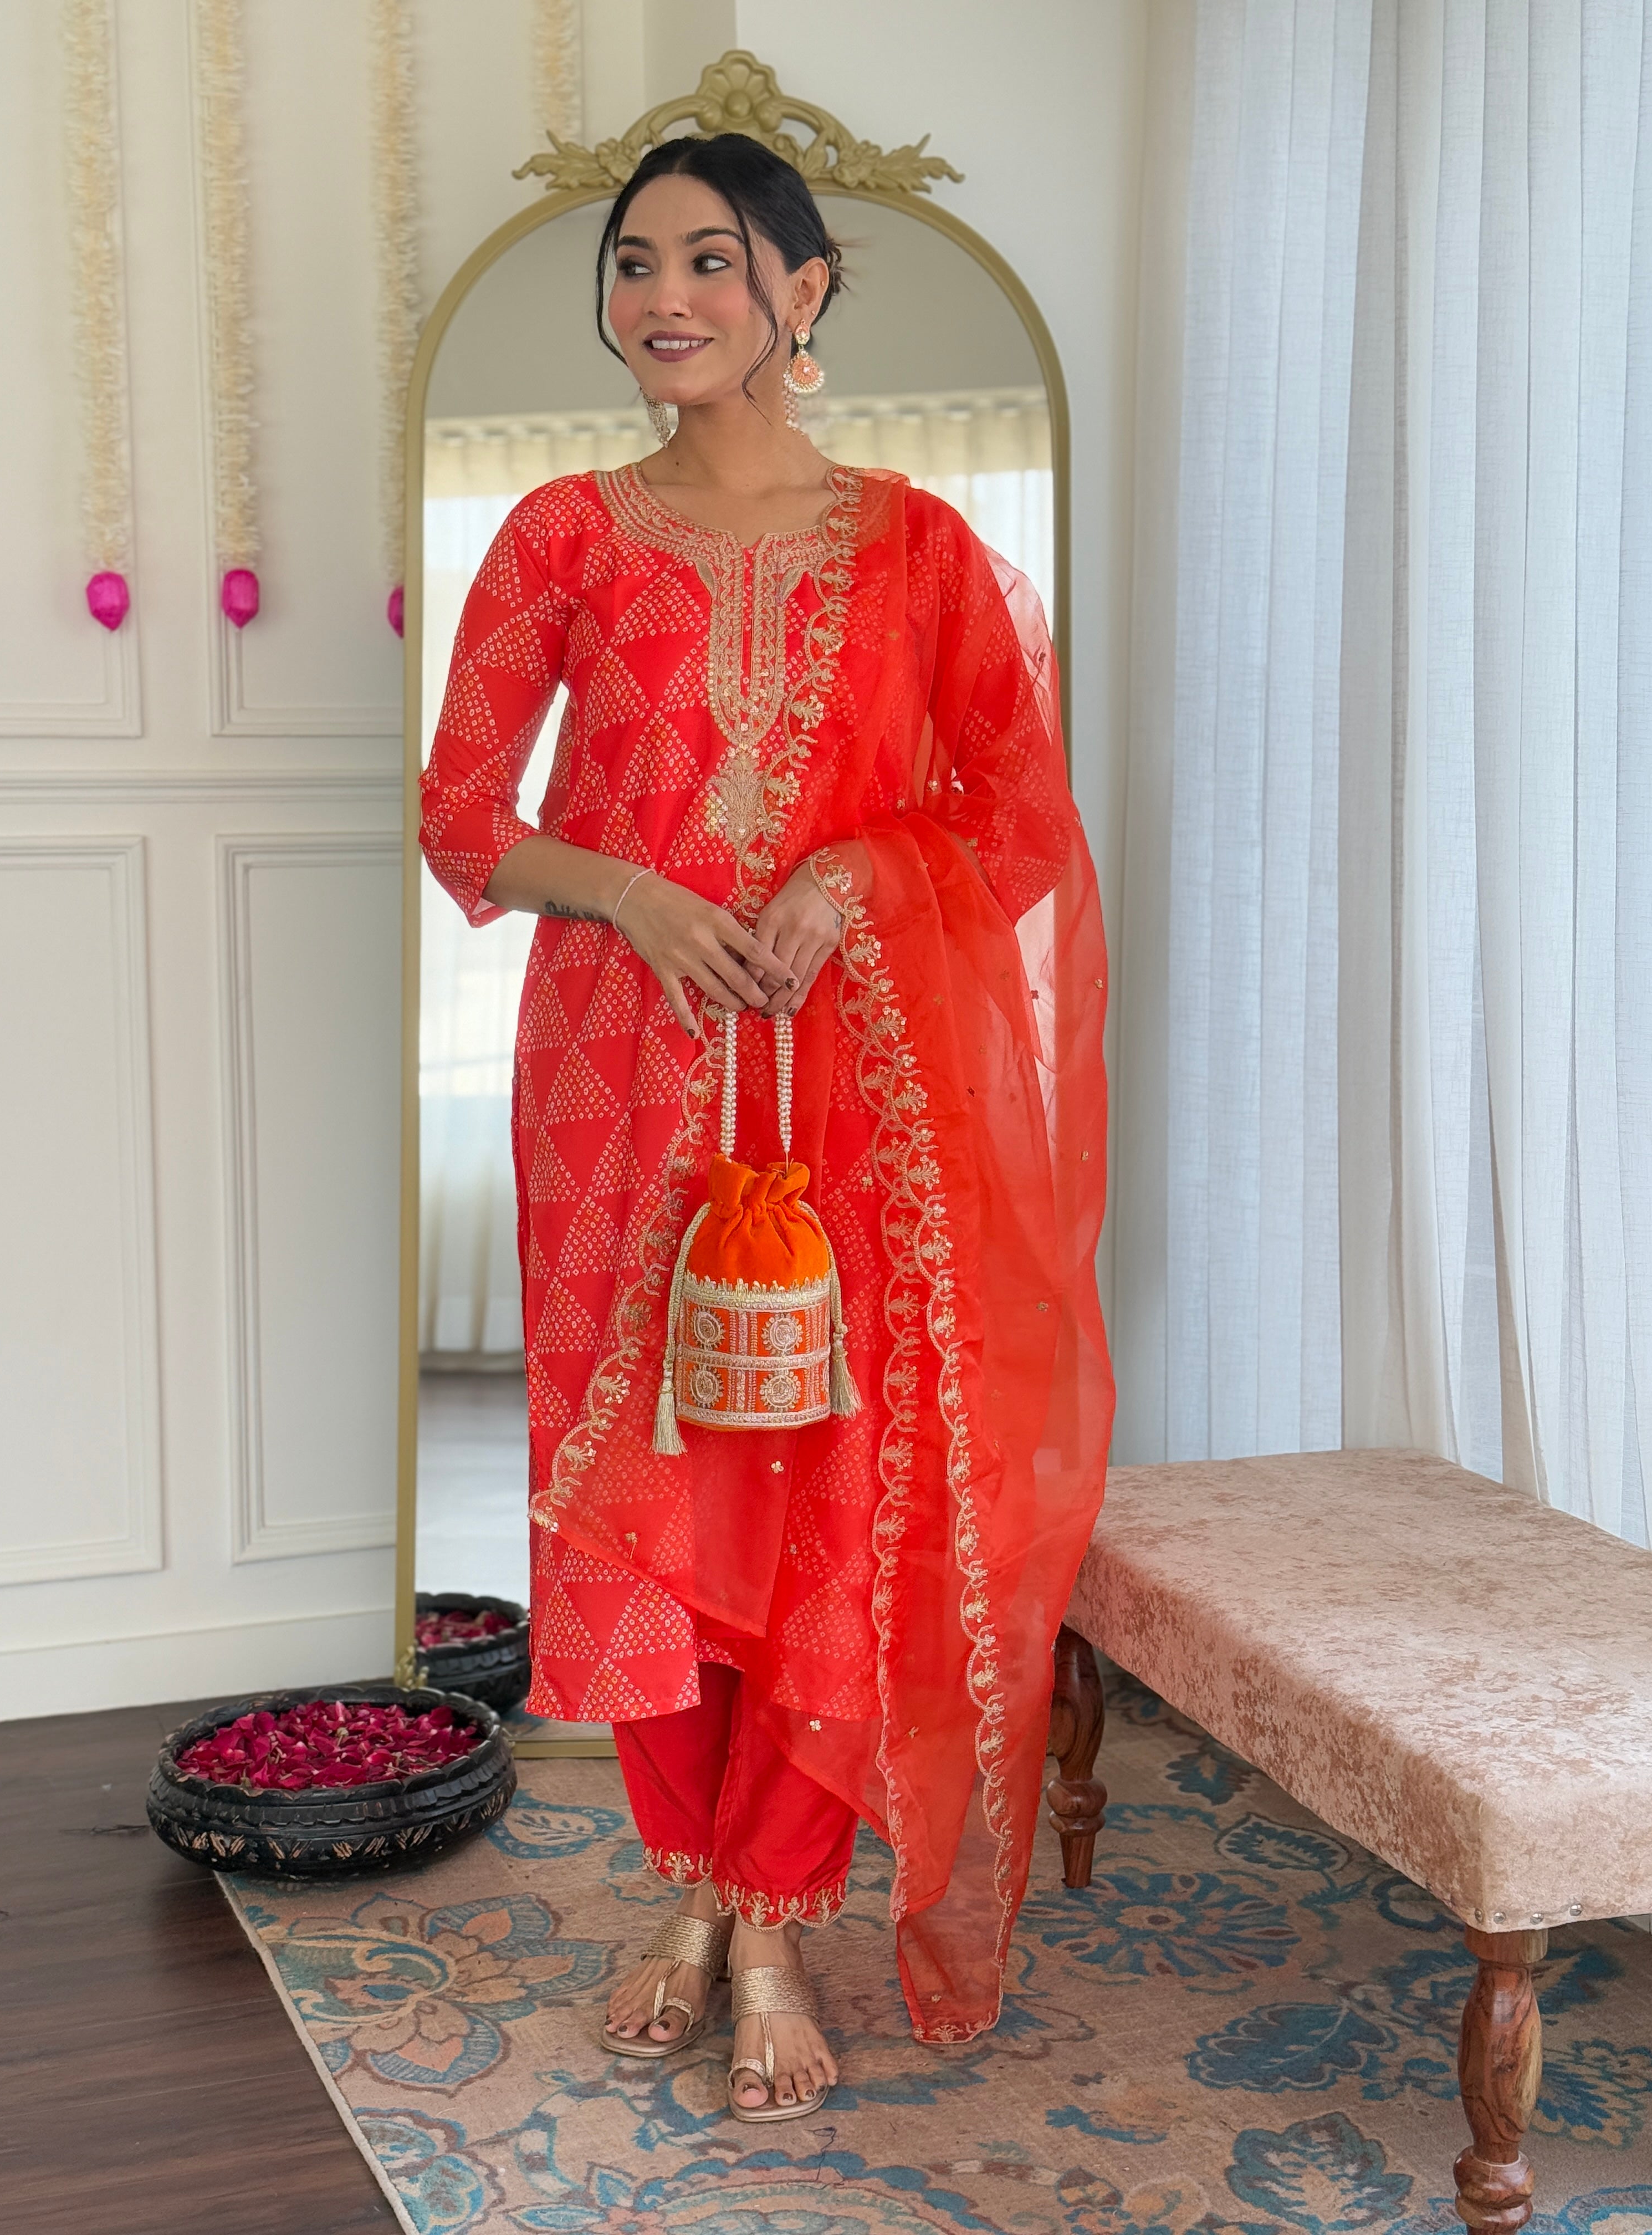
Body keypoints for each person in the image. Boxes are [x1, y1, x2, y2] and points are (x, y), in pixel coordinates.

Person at [420, 130, 1115, 2123]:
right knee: (647, 1472)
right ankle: (687, 1892)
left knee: (821, 1475)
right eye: (636, 264)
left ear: (803, 292)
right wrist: (635, 892)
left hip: (844, 1084)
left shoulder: (916, 552)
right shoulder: (561, 533)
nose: (666, 297)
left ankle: (777, 1913)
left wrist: (852, 882)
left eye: (714, 260)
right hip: (618, 1076)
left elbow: (1017, 817)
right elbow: (467, 813)